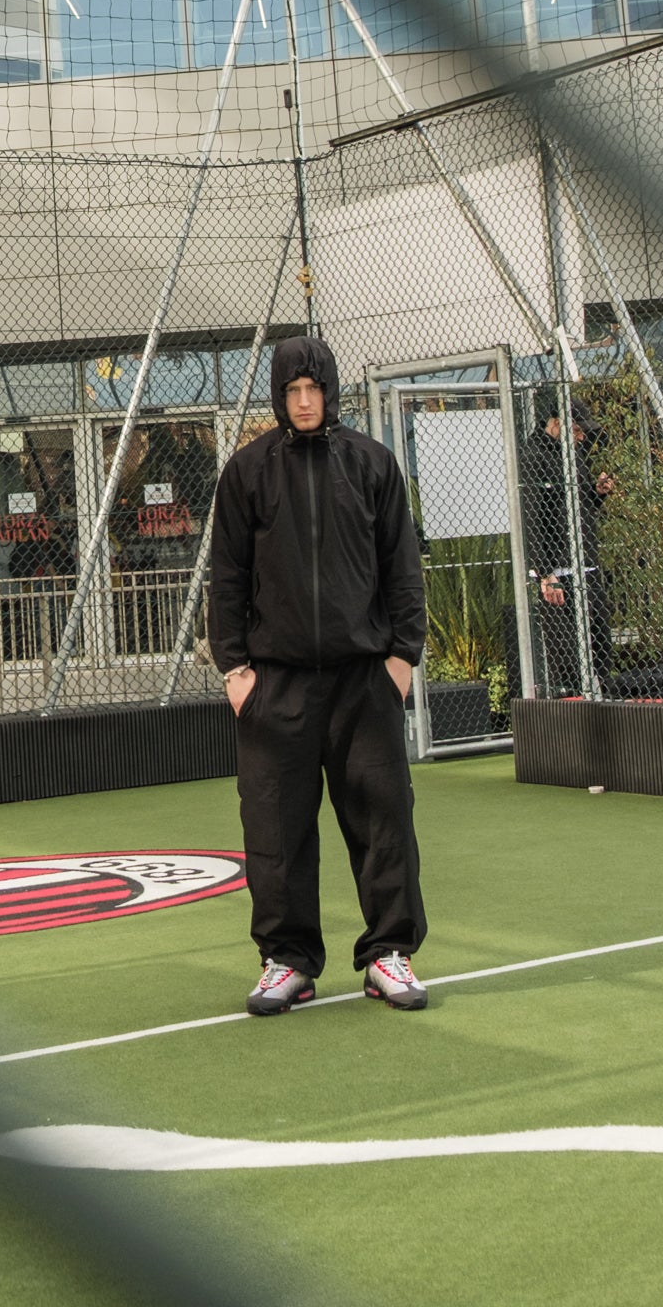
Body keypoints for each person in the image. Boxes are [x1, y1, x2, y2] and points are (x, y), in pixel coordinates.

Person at [207, 332, 429, 1018]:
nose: (304, 402)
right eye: (293, 391)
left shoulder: (371, 464)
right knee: (275, 829)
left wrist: (402, 658)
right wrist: (235, 669)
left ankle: (389, 954)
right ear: (279, 395)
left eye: (315, 390)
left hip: (365, 680)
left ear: (331, 392)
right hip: (277, 686)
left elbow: (402, 566)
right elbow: (227, 576)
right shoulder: (247, 472)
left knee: (384, 820)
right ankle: (288, 961)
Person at [516, 393, 616, 695]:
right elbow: (532, 517)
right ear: (557, 422)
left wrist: (596, 493)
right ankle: (577, 701)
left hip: (585, 562)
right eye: (577, 429)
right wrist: (546, 573)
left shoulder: (573, 455)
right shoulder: (534, 456)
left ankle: (603, 694)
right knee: (569, 652)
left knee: (600, 638)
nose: (582, 436)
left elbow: (579, 507)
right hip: (558, 569)